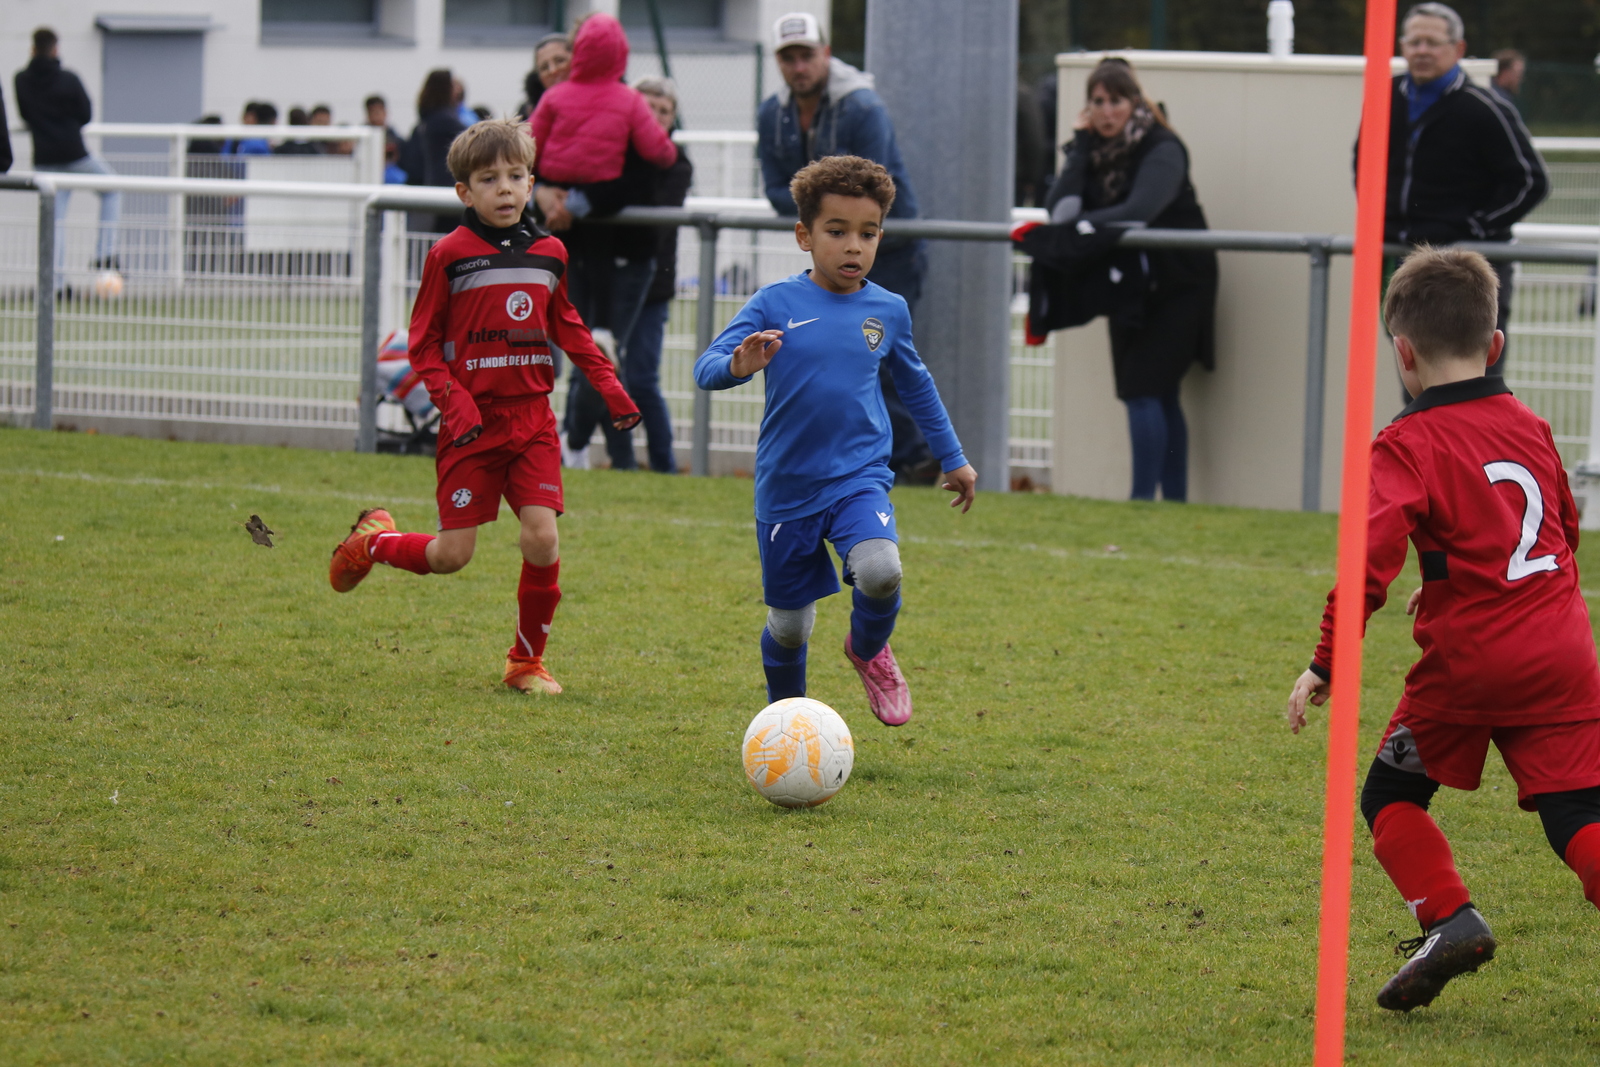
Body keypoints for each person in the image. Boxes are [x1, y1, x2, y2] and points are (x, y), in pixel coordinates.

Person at [1286, 247, 1600, 1012]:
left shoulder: (1407, 442)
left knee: (1392, 794)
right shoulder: (1532, 424)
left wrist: (1327, 660)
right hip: (1563, 653)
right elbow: (1562, 530)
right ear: (1496, 343)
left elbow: (1368, 563)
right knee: (1579, 814)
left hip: (1470, 665)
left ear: (1402, 353)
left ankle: (1450, 918)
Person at [328, 120, 641, 696]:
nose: (505, 188)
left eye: (516, 176)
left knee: (542, 538)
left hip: (531, 420)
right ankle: (371, 542)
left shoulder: (550, 253)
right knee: (452, 557)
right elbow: (422, 345)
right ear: (464, 192)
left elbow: (569, 329)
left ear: (531, 184)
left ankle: (526, 663)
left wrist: (611, 388)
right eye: (489, 178)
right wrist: (456, 403)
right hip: (471, 427)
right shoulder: (449, 254)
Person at [694, 155, 977, 727]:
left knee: (881, 570)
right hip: (787, 487)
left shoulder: (888, 310)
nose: (854, 246)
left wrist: (953, 458)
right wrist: (738, 365)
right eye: (837, 231)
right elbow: (707, 367)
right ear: (805, 236)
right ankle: (787, 723)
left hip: (858, 476)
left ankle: (868, 649)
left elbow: (916, 386)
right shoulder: (774, 303)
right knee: (790, 627)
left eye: (868, 234)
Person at [1017, 58, 1216, 502]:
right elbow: (1060, 212)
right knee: (1149, 391)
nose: (1107, 112)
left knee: (1146, 389)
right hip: (1132, 285)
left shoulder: (1162, 146)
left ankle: (1144, 502)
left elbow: (1138, 212)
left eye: (1116, 101)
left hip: (1179, 284)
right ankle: (1172, 504)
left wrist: (1084, 226)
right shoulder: (1094, 149)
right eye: (1098, 102)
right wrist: (1081, 148)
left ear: (1135, 102)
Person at [757, 12, 935, 484]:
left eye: (806, 55)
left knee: (887, 361)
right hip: (837, 256)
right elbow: (773, 188)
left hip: (891, 253)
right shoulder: (771, 112)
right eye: (788, 57)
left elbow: (870, 194)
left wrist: (826, 216)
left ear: (826, 54)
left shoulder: (862, 107)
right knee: (845, 359)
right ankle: (881, 461)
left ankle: (911, 459)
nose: (799, 66)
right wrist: (823, 213)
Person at [1369, 3, 1547, 378]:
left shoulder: (1483, 107)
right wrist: (1382, 220)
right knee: (1415, 378)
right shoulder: (1386, 97)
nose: (1422, 50)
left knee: (1474, 381)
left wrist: (1472, 230)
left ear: (1458, 48)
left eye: (1433, 42)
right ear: (1401, 45)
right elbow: (1364, 164)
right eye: (1414, 41)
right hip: (1403, 261)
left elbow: (1530, 181)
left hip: (1467, 270)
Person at [562, 77, 691, 473]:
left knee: (640, 377)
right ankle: (617, 461)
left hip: (651, 285)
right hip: (600, 277)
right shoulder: (609, 149)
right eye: (648, 107)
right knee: (599, 367)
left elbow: (650, 213)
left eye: (664, 111)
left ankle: (663, 466)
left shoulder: (675, 161)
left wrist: (600, 201)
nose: (656, 116)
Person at [15, 27, 121, 278]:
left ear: (32, 49)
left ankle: (57, 284)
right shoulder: (69, 79)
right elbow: (85, 114)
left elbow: (25, 114)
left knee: (54, 223)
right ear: (55, 50)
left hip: (44, 159)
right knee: (113, 189)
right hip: (74, 155)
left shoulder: (21, 80)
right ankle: (105, 254)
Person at [403, 69, 467, 233]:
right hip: (447, 188)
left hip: (437, 184)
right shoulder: (444, 119)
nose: (457, 89)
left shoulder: (429, 118)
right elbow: (472, 136)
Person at [517, 33, 572, 122]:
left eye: (560, 61)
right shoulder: (527, 113)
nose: (553, 70)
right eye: (544, 67)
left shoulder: (594, 99)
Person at [1490, 48, 1525, 112]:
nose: (1521, 79)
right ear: (1505, 72)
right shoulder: (1500, 102)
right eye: (1518, 74)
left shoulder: (1490, 94)